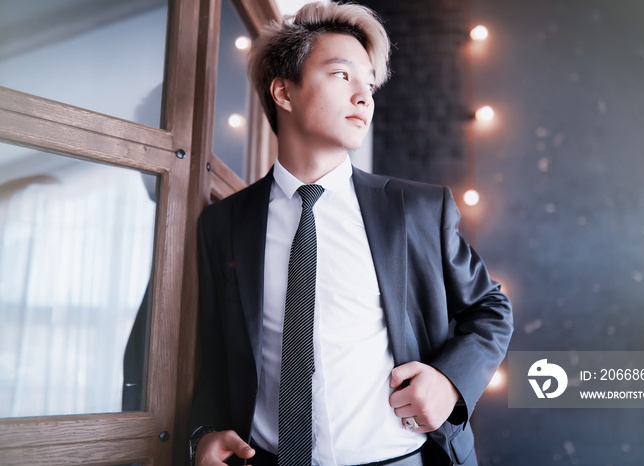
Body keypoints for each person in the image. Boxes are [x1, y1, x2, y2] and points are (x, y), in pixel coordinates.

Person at [189, 2, 513, 466]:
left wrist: (450, 382)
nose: (365, 96)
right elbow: (210, 357)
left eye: (370, 83)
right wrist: (200, 436)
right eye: (343, 75)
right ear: (283, 91)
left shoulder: (417, 210)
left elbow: (491, 308)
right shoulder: (223, 225)